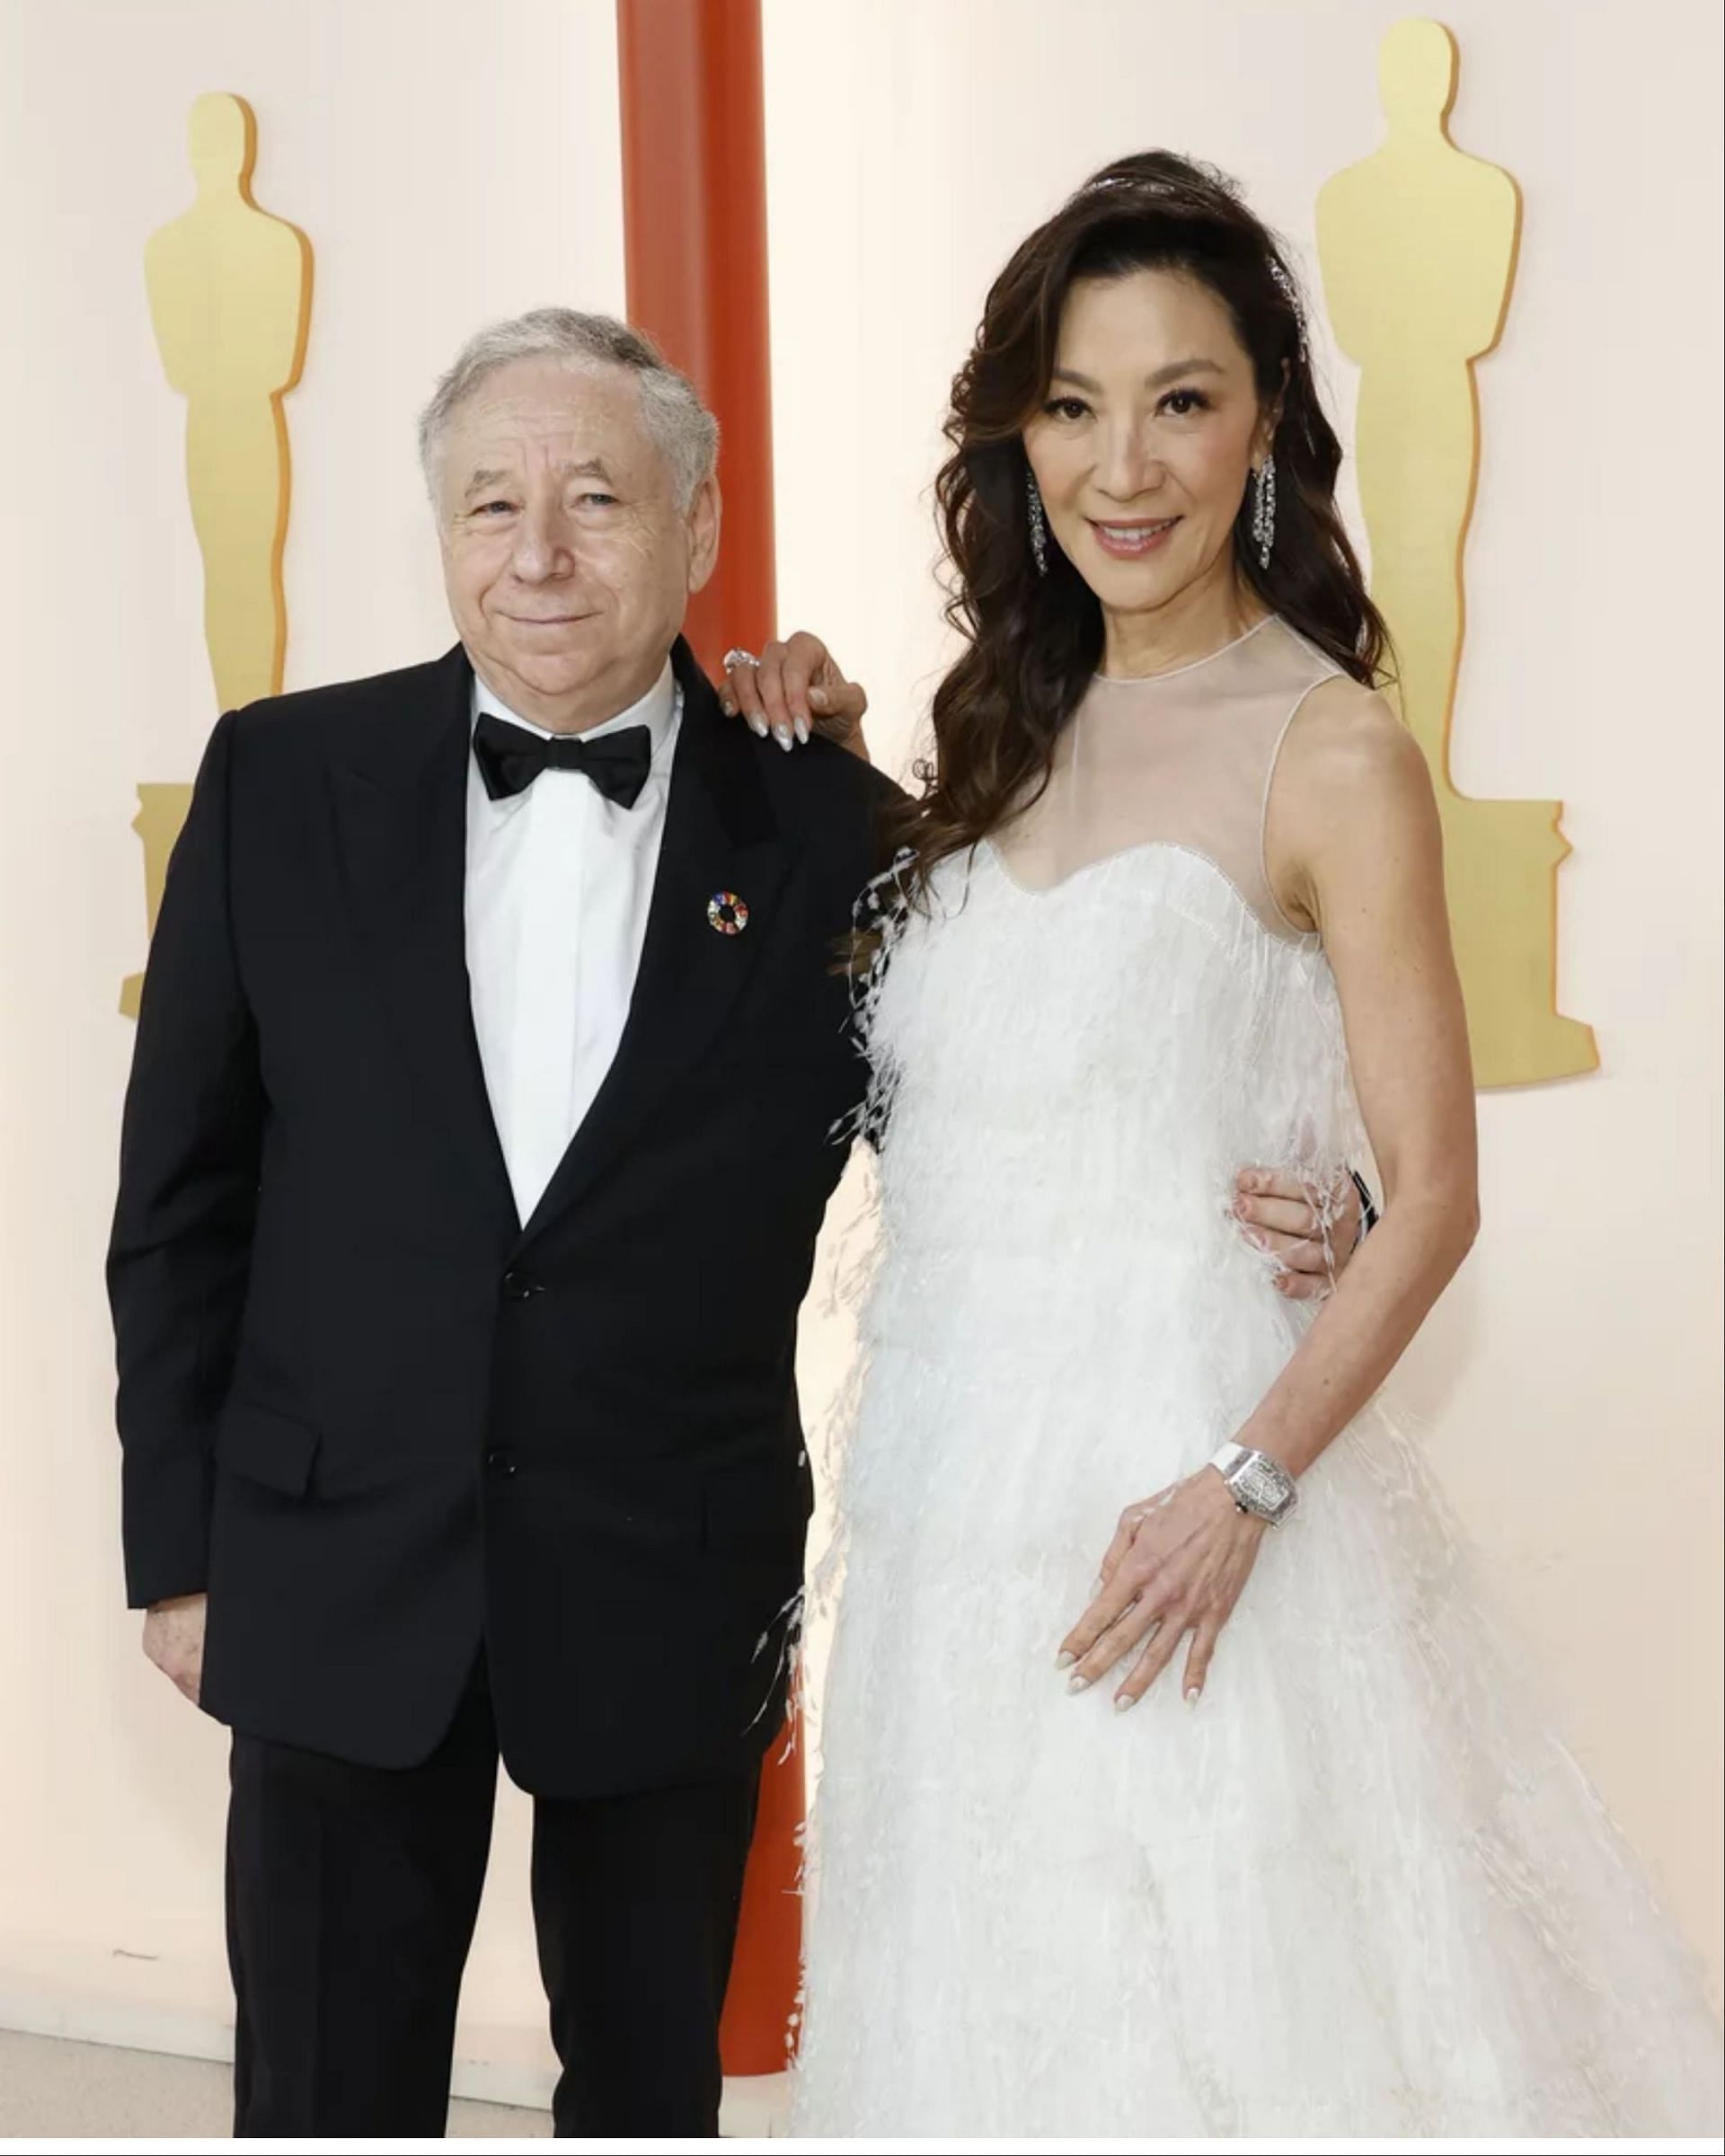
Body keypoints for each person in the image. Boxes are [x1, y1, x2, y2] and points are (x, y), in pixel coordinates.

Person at [106, 304, 1357, 2139]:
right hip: (324, 1561)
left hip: (663, 1575)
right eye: (490, 505)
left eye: (598, 500)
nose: (538, 554)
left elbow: (1040, 1109)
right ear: (440, 531)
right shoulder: (279, 780)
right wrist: (179, 1546)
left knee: (647, 2089)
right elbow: (179, 1201)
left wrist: (1338, 1192)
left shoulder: (840, 836)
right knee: (318, 2089)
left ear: (696, 533)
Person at [721, 153, 1725, 2137]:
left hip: (1187, 1508)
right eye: (1075, 406)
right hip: (943, 1511)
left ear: (1266, 416)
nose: (1126, 465)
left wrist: (1241, 1491)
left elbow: (1429, 1201)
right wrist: (817, 755)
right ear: (1018, 437)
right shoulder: (1002, 730)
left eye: (1182, 399)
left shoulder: (1332, 747)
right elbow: (982, 1050)